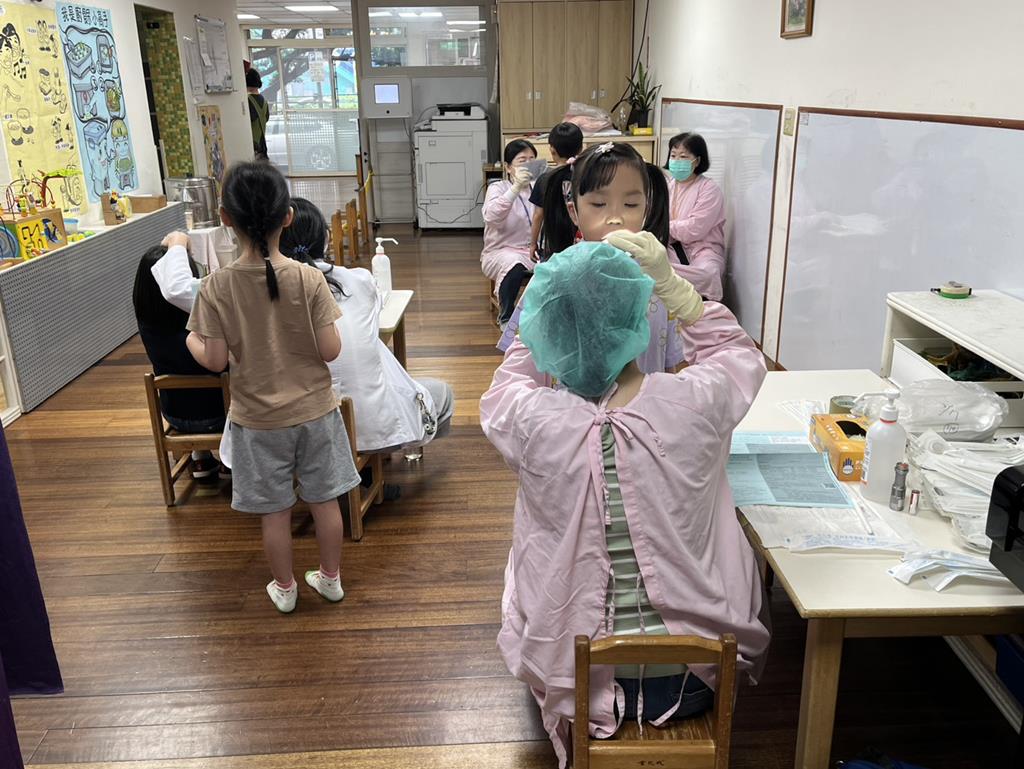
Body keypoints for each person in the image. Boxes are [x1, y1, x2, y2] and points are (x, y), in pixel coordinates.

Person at [480, 239, 770, 768]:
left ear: (545, 332)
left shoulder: (529, 421)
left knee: (526, 559)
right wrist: (678, 289)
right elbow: (739, 356)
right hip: (698, 676)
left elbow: (508, 382)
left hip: (575, 680)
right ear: (640, 319)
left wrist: (534, 316)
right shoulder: (692, 403)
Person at [185, 162, 360, 614]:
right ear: (288, 216)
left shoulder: (215, 286)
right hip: (315, 412)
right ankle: (330, 579)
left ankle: (285, 588)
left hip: (257, 420)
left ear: (225, 217)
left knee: (274, 512)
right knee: (325, 502)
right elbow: (330, 350)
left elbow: (215, 361)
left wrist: (191, 340)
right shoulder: (309, 278)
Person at [279, 197, 453, 472]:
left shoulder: (263, 291)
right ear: (325, 238)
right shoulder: (356, 280)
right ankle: (378, 464)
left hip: (289, 432)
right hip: (367, 428)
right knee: (441, 393)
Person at [498, 142, 686, 376]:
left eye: (631, 204)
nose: (616, 218)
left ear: (645, 209)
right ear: (573, 212)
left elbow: (669, 362)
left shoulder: (659, 279)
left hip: (646, 398)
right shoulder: (551, 279)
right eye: (599, 204)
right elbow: (520, 363)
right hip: (566, 399)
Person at [132, 241, 227, 483]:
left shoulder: (147, 325)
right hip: (220, 415)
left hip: (174, 414)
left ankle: (200, 456)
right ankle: (231, 458)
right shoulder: (200, 321)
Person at [482, 139, 538, 328]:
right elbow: (491, 217)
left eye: (532, 160)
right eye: (522, 160)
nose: (528, 164)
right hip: (500, 251)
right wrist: (515, 188)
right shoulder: (498, 188)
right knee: (513, 263)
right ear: (508, 167)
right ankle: (506, 317)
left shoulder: (538, 188)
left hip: (533, 250)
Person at [664, 132, 726, 300]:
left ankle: (705, 308)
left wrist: (666, 226)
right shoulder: (668, 186)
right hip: (672, 247)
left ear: (697, 161)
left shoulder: (709, 189)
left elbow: (694, 229)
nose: (676, 161)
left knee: (709, 274)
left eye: (683, 156)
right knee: (653, 264)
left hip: (703, 250)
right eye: (673, 155)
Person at [529, 122, 584, 260]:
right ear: (581, 148)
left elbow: (538, 215)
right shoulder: (586, 176)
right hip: (581, 241)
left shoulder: (544, 180)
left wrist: (532, 244)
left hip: (551, 244)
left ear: (552, 150)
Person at [247, 68, 270, 161]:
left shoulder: (247, 101)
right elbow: (266, 118)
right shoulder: (264, 101)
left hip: (253, 146)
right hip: (262, 144)